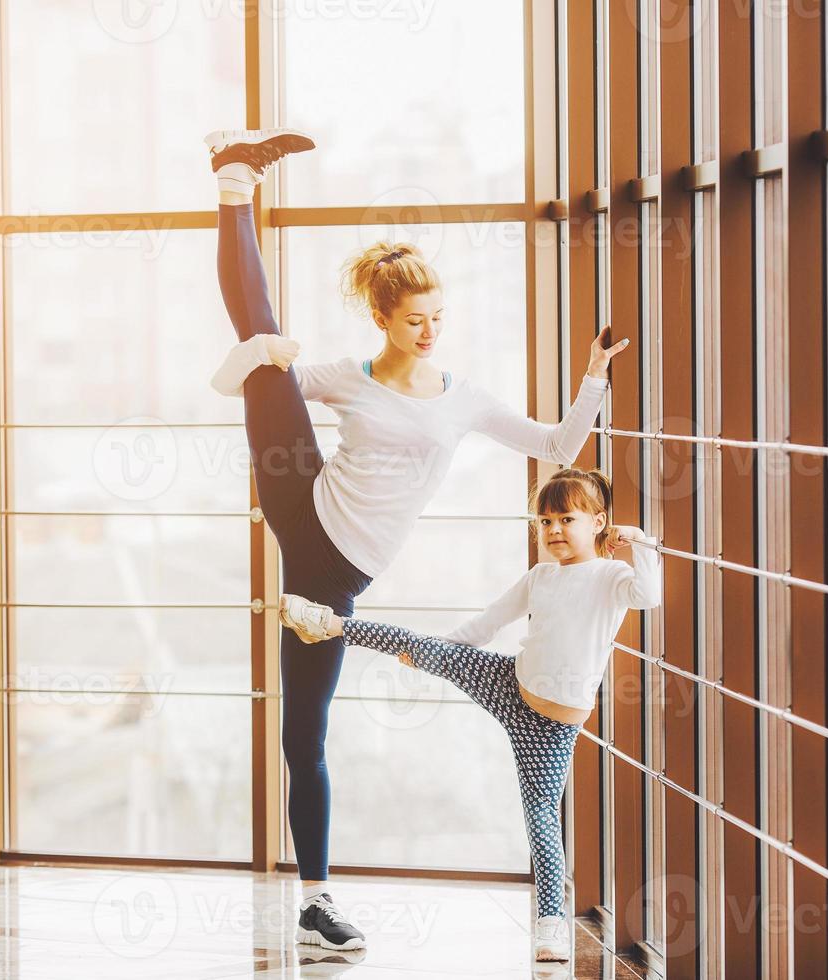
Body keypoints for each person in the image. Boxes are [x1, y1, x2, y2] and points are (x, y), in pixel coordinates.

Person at [202, 128, 630, 950]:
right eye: (414, 320)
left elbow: (555, 447)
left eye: (439, 318)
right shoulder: (344, 380)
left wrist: (593, 374)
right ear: (382, 318)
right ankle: (233, 182)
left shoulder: (461, 397)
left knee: (303, 731)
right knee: (263, 349)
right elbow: (248, 388)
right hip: (305, 513)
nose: (430, 331)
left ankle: (232, 189)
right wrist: (250, 367)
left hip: (337, 570)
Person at [279, 467, 662, 961]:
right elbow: (484, 626)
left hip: (552, 727)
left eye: (567, 519)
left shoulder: (612, 577)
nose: (554, 531)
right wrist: (435, 653)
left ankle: (550, 927)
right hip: (508, 682)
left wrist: (639, 543)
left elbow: (648, 596)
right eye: (544, 522)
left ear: (599, 522)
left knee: (541, 820)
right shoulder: (539, 577)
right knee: (421, 645)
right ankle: (329, 624)